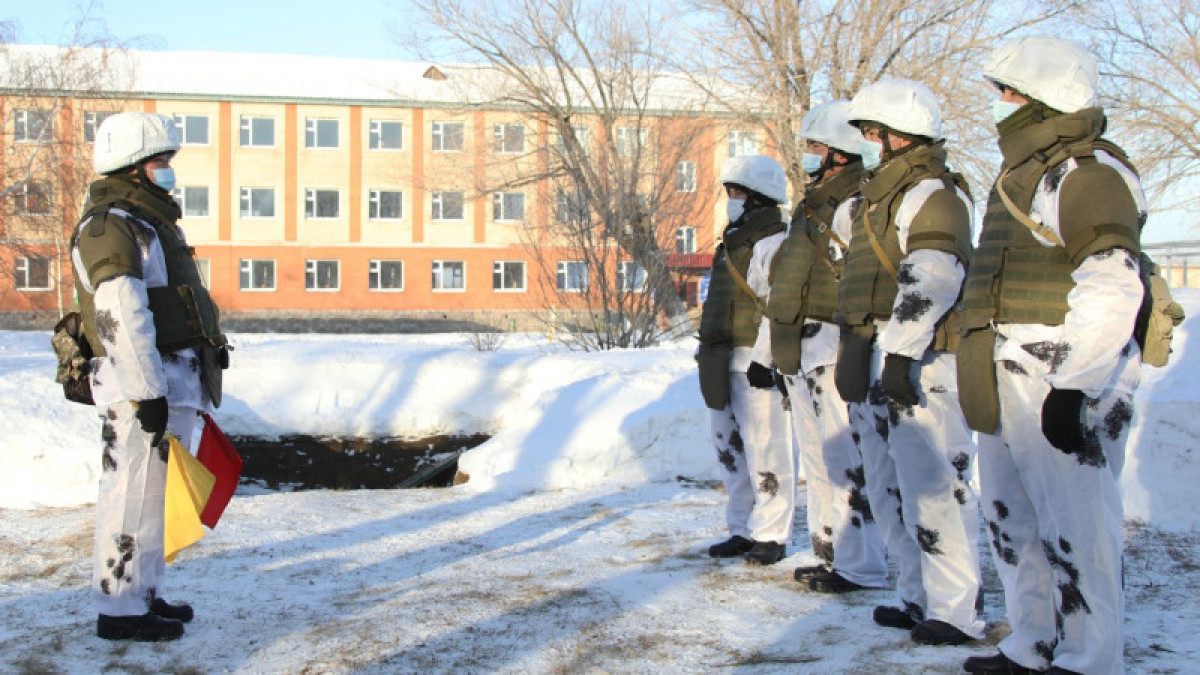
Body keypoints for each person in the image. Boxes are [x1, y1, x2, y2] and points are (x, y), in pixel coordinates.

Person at [958, 37, 1146, 675]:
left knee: (1078, 525)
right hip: (1011, 364)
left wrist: (1075, 384)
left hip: (1061, 368)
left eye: (1010, 94)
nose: (1000, 105)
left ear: (1045, 101)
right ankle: (1033, 643)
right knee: (1013, 520)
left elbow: (1113, 281)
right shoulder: (1028, 172)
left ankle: (1088, 658)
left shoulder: (1087, 172)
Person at [835, 79, 983, 645]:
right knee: (888, 485)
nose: (868, 143)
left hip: (922, 356)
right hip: (881, 349)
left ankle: (956, 609)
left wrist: (900, 353)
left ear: (902, 136)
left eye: (874, 132)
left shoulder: (933, 193)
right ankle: (915, 594)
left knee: (936, 486)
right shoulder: (880, 198)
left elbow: (934, 275)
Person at [71, 112, 228, 641]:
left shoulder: (149, 222)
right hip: (141, 391)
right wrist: (146, 392)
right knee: (131, 495)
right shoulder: (112, 225)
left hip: (168, 384)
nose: (168, 170)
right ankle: (120, 610)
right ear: (133, 166)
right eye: (160, 161)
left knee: (157, 497)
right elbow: (120, 314)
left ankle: (145, 591)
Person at [764, 101, 888, 594]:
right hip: (807, 344)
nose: (810, 154)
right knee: (819, 459)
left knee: (847, 461)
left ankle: (863, 563)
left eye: (817, 145)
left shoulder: (854, 202)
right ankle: (832, 551)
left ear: (841, 152)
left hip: (835, 342)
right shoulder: (816, 202)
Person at [697, 154, 796, 566]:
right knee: (731, 450)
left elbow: (779, 304)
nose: (730, 200)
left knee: (768, 450)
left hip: (757, 360)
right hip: (723, 357)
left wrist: (767, 356)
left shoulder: (776, 242)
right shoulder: (732, 241)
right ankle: (741, 528)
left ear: (758, 197)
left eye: (736, 192)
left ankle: (771, 534)